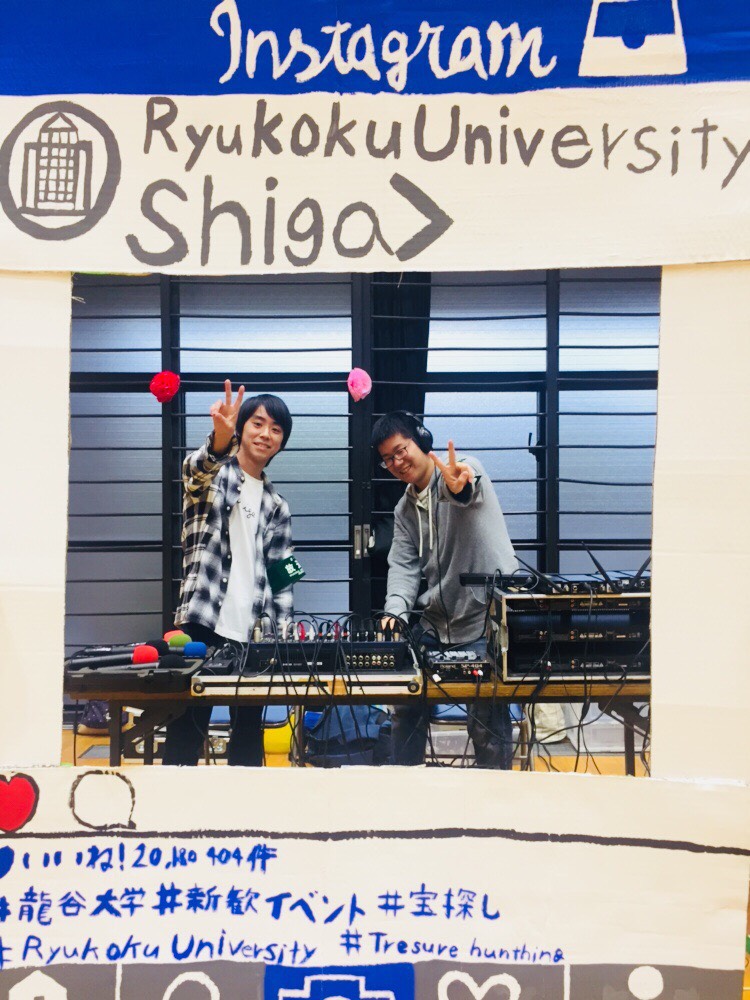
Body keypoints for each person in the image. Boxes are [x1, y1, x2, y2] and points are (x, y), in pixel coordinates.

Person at [373, 411, 518, 768]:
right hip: (437, 623)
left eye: (401, 450)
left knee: (486, 720)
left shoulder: (464, 468)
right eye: (388, 458)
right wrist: (394, 612)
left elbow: (466, 487)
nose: (397, 462)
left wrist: (459, 485)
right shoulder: (404, 510)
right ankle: (408, 786)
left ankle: (497, 794)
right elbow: (403, 567)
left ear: (422, 441)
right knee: (405, 700)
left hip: (484, 620)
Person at [162, 381, 295, 766]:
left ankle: (247, 805)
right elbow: (194, 470)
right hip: (202, 620)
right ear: (241, 428)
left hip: (255, 632)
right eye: (258, 423)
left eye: (276, 429)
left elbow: (284, 575)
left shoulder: (278, 505)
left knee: (249, 736)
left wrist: (284, 634)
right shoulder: (214, 476)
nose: (266, 434)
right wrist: (220, 440)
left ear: (281, 443)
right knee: (186, 727)